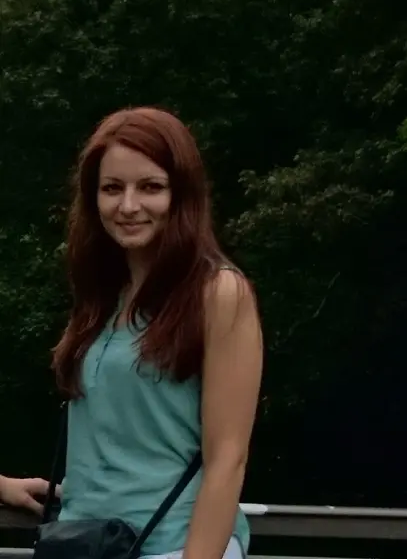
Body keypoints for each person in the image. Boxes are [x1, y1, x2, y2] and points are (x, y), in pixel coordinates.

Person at [51, 107, 263, 559]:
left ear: (182, 194)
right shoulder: (102, 295)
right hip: (86, 541)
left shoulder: (219, 293)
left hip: (172, 545)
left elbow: (228, 457)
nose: (128, 206)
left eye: (150, 187)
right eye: (112, 188)